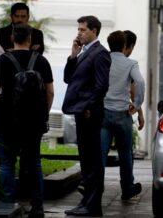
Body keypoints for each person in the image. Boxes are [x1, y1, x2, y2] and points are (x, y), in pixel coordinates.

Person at [0, 23, 54, 218]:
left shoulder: (2, 61)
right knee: (34, 162)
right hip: (33, 123)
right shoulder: (42, 61)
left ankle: (8, 204)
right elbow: (50, 92)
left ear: (12, 38)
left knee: (7, 163)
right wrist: (42, 114)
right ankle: (37, 207)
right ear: (30, 40)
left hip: (7, 121)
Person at [62, 15, 111, 217]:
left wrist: (89, 107)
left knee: (93, 160)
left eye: (83, 30)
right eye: (79, 29)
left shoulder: (100, 54)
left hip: (90, 112)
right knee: (86, 159)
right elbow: (67, 78)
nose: (79, 33)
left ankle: (93, 205)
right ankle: (86, 203)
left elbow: (102, 85)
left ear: (94, 31)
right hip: (81, 110)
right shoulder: (84, 53)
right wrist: (73, 55)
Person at [101, 30, 145, 200]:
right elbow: (140, 82)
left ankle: (95, 188)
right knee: (125, 153)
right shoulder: (131, 63)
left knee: (100, 153)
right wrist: (137, 104)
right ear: (125, 45)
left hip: (103, 112)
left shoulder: (102, 60)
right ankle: (127, 187)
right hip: (122, 113)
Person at [124, 30, 145, 131]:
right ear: (131, 46)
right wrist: (138, 109)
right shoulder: (130, 65)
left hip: (103, 112)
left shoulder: (104, 59)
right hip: (122, 112)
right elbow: (134, 91)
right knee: (125, 146)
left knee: (102, 147)